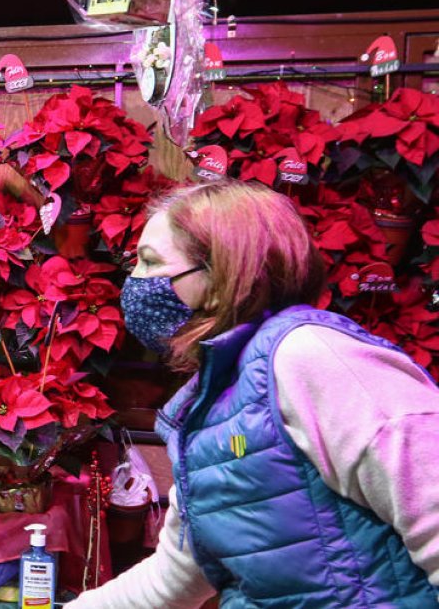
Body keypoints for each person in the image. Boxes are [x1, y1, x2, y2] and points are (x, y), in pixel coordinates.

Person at [68, 180, 439, 608]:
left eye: (150, 263)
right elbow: (173, 580)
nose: (135, 281)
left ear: (223, 276)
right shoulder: (216, 398)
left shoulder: (311, 357)